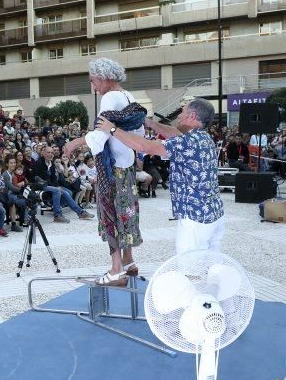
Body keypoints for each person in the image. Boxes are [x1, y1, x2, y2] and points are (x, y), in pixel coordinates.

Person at [104, 98, 225, 254]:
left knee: (191, 268)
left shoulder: (188, 142)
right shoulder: (203, 137)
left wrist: (113, 130)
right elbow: (175, 133)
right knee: (209, 262)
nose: (179, 116)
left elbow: (145, 146)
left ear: (192, 116)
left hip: (196, 218)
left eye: (182, 112)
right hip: (213, 214)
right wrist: (150, 123)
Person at [63, 58, 145, 286]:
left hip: (112, 168)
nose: (93, 87)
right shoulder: (129, 96)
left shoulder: (109, 98)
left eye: (94, 81)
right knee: (126, 212)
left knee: (110, 215)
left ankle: (116, 269)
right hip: (127, 164)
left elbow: (101, 135)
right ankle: (129, 262)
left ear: (104, 77)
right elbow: (138, 131)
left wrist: (75, 143)